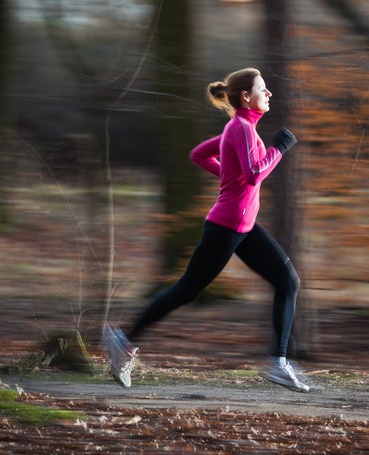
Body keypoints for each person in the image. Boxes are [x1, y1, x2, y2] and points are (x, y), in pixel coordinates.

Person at [103, 67, 308, 392]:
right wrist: (278, 149)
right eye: (263, 89)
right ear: (246, 96)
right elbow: (255, 173)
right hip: (226, 227)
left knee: (288, 281)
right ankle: (123, 340)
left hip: (244, 226)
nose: (269, 94)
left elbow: (199, 155)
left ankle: (278, 363)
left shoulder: (242, 129)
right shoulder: (240, 128)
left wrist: (231, 176)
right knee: (187, 289)